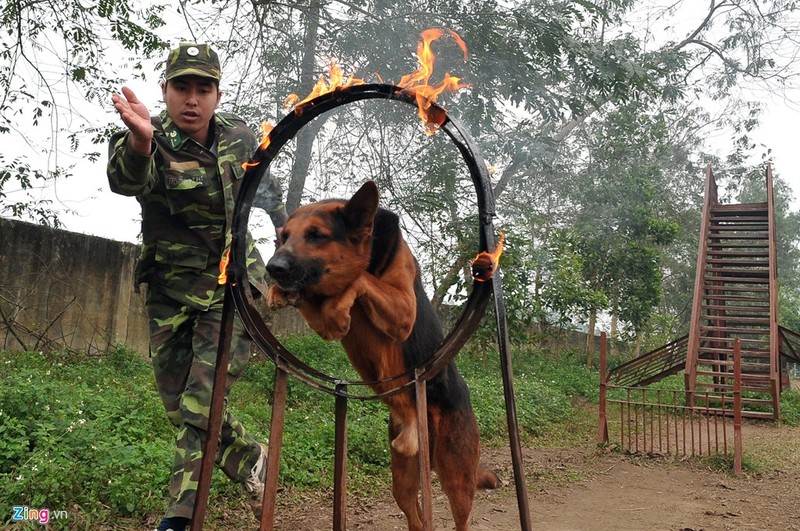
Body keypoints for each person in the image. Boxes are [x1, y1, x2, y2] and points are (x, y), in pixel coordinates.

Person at [107, 42, 287, 531]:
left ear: (216, 93)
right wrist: (141, 144)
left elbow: (271, 198)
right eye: (181, 87)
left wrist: (289, 259)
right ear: (164, 90)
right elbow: (124, 182)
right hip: (168, 289)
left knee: (200, 402)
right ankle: (250, 457)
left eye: (202, 89)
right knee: (176, 404)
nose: (191, 99)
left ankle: (180, 517)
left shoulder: (242, 138)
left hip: (232, 290)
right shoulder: (142, 136)